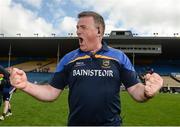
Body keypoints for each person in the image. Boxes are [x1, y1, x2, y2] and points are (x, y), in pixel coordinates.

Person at [9, 11, 163, 126]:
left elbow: (135, 89)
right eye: (77, 27)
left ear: (99, 31)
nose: (78, 31)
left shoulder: (119, 57)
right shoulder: (69, 59)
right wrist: (26, 85)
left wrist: (146, 91)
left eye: (83, 27)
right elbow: (51, 92)